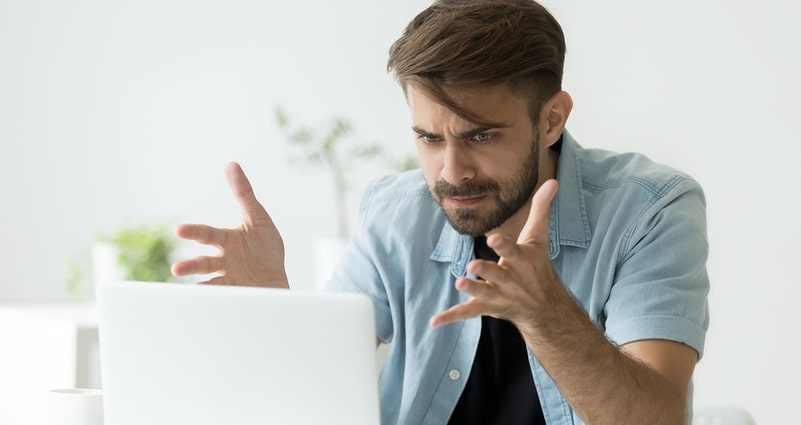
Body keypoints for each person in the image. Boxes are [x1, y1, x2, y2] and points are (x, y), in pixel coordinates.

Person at [171, 0, 710, 424]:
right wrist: (275, 309)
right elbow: (314, 395)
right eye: (429, 138)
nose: (451, 171)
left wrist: (544, 312)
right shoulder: (394, 214)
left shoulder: (649, 210)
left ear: (552, 120)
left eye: (480, 135)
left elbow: (655, 418)